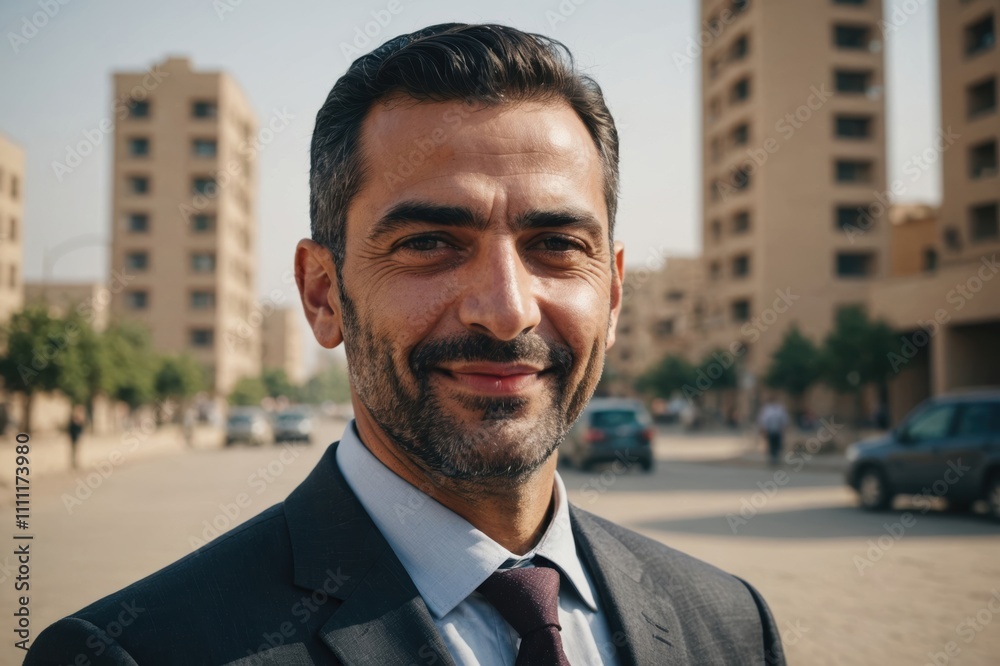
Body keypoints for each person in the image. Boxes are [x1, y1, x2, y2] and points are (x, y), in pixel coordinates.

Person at [27, 24, 784, 665]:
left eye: (555, 243)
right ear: (323, 293)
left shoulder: (729, 626)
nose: (506, 310)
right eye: (429, 242)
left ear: (613, 296)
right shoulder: (139, 650)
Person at [758, 394, 790, 467]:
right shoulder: (767, 409)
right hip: (770, 430)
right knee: (771, 444)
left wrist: (784, 427)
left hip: (778, 430)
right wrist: (764, 429)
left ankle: (776, 457)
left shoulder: (779, 408)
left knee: (777, 444)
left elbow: (784, 419)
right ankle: (773, 458)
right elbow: (763, 420)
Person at [67, 404, 86, 469]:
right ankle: (73, 462)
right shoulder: (73, 421)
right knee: (73, 450)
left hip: (76, 437)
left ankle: (75, 462)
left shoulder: (79, 421)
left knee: (76, 450)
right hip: (73, 437)